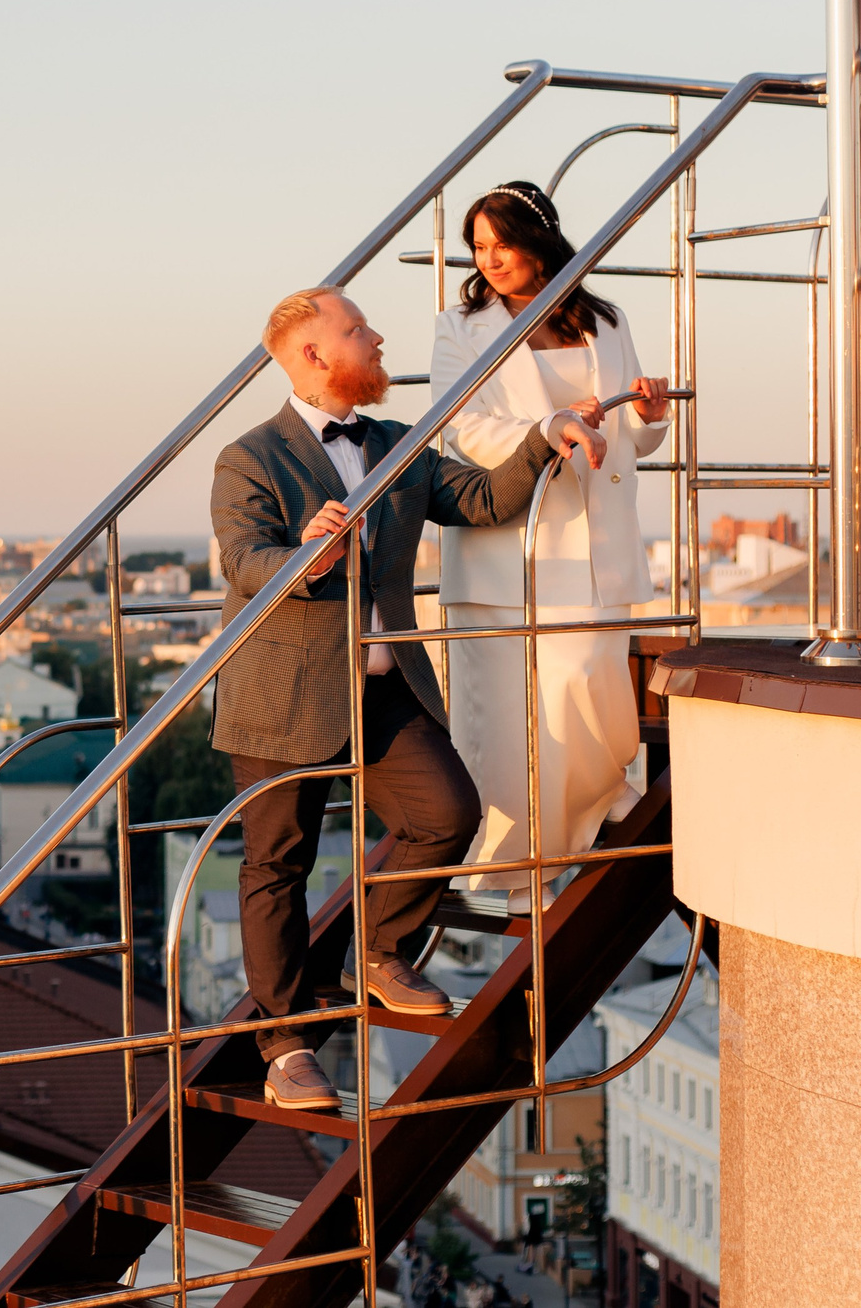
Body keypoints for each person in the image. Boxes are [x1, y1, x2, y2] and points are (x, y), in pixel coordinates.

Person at [212, 287, 601, 1112]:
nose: (379, 336)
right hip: (283, 696)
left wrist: (546, 438)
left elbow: (480, 500)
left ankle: (381, 949)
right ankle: (284, 1046)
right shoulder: (248, 457)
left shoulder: (401, 443)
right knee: (277, 867)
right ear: (316, 356)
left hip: (386, 689)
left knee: (448, 813)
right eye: (359, 330)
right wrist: (307, 555)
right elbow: (246, 565)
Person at [429, 180, 671, 912]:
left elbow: (634, 437)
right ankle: (505, 873)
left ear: (540, 242)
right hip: (510, 545)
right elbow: (459, 427)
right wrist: (546, 429)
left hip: (597, 541)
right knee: (505, 720)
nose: (490, 259)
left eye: (502, 243)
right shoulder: (461, 326)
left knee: (590, 683)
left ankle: (594, 814)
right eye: (478, 247)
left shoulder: (605, 318)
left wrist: (650, 416)